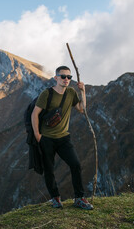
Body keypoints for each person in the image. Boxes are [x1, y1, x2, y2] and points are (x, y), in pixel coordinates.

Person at [31, 65, 93, 210]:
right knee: (49, 169)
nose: (66, 79)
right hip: (46, 138)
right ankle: (55, 198)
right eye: (63, 76)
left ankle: (79, 198)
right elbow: (35, 114)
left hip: (64, 138)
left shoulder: (71, 92)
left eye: (69, 77)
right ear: (56, 78)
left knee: (75, 164)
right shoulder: (47, 94)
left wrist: (83, 91)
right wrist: (38, 135)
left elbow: (82, 109)